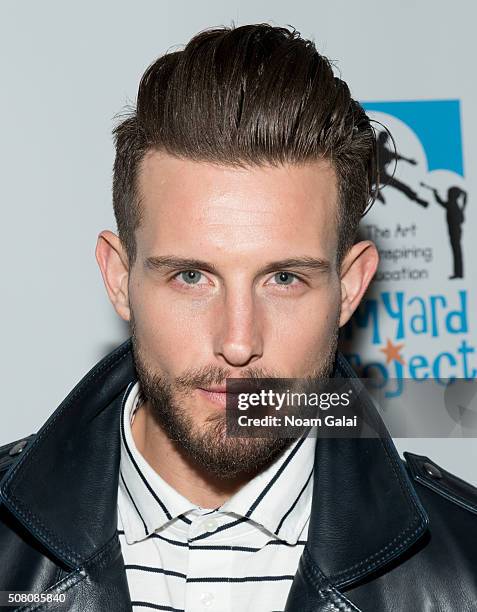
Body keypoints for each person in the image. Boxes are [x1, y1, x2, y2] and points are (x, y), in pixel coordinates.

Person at [0, 23, 476, 612]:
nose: (238, 342)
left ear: (349, 287)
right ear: (119, 278)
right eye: (192, 277)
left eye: (283, 279)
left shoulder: (464, 572)